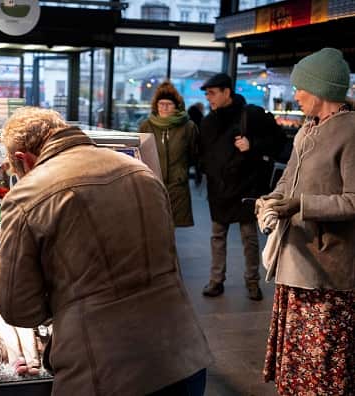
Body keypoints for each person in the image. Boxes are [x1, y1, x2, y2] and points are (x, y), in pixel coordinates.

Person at [0, 107, 212, 396]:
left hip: (102, 373)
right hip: (183, 358)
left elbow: (16, 307)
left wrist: (62, 300)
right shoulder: (140, 171)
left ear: (22, 159)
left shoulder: (28, 194)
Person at [256, 47, 355, 395]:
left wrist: (300, 205)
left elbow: (353, 201)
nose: (295, 94)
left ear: (321, 90)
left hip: (326, 271)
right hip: (296, 260)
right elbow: (288, 182)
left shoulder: (351, 131)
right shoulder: (307, 129)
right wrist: (271, 199)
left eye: (300, 87)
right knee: (299, 362)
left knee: (322, 365)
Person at [198, 73, 280, 301]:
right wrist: (208, 171)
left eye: (212, 93)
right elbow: (203, 152)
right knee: (217, 235)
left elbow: (278, 142)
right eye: (206, 94)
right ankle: (216, 280)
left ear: (227, 92)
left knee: (249, 237)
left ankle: (252, 281)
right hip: (219, 188)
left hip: (246, 187)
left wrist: (252, 145)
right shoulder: (208, 121)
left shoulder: (251, 115)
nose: (209, 98)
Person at [139, 81, 199, 227]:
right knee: (152, 227)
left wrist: (181, 171)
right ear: (156, 105)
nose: (164, 107)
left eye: (169, 104)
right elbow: (139, 153)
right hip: (152, 184)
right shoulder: (146, 125)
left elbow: (194, 154)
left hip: (177, 185)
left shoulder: (188, 127)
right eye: (161, 104)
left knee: (171, 229)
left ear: (176, 106)